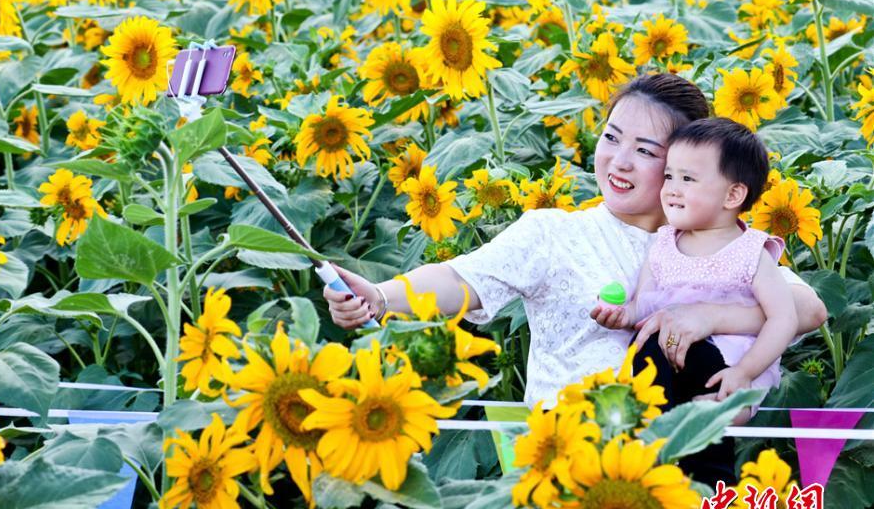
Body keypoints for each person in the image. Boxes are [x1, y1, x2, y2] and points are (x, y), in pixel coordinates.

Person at [322, 73, 827, 411]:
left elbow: (806, 309)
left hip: (686, 467)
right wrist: (382, 295)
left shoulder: (714, 243)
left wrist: (707, 317)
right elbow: (461, 279)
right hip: (570, 459)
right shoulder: (556, 233)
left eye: (645, 150)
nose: (619, 161)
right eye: (611, 138)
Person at [594, 117, 796, 426]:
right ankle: (655, 440)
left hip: (729, 367)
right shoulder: (663, 244)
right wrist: (624, 315)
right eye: (669, 176)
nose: (672, 189)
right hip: (665, 361)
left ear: (732, 196)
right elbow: (645, 304)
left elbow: (784, 317)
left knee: (712, 427)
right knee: (648, 352)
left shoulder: (751, 251)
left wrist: (745, 372)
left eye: (687, 179)